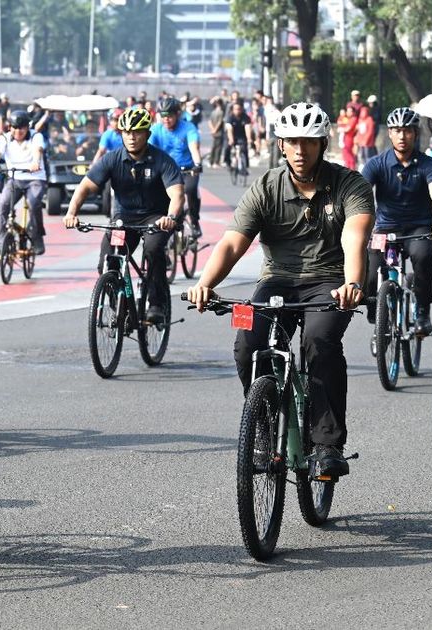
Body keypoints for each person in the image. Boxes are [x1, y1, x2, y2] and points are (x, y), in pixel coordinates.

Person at [186, 102, 374, 479]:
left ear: (323, 144)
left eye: (308, 142)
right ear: (281, 145)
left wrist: (352, 284)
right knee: (247, 344)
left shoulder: (349, 184)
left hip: (330, 283)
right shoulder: (266, 187)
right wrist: (205, 284)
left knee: (319, 342)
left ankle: (326, 446)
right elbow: (231, 244)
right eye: (292, 142)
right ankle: (263, 426)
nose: (300, 151)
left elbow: (356, 240)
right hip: (277, 281)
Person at [63, 106, 183, 323]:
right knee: (108, 261)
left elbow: (177, 194)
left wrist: (171, 217)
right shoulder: (112, 159)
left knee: (154, 249)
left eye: (137, 132)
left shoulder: (162, 160)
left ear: (147, 134)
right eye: (126, 132)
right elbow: (84, 187)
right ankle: (121, 307)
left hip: (156, 217)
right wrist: (71, 213)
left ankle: (157, 303)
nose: (132, 137)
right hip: (124, 218)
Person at [362, 107, 432, 333]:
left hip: (419, 227)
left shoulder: (427, 164)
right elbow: (360, 193)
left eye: (407, 131)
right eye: (396, 130)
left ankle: (422, 310)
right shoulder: (376, 164)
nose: (402, 136)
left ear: (415, 133)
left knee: (422, 257)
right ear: (390, 134)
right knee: (369, 266)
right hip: (384, 227)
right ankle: (376, 305)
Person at [0, 113, 47, 255]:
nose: (18, 131)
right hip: (15, 178)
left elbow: (37, 150)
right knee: (3, 204)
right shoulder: (5, 138)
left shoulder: (35, 136)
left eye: (21, 128)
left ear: (27, 128)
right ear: (9, 127)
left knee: (34, 203)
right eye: (14, 127)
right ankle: (0, 240)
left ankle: (37, 236)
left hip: (35, 178)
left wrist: (36, 162)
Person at [149, 97, 205, 237]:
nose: (166, 119)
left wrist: (197, 164)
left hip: (186, 169)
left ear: (178, 115)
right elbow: (148, 149)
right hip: (165, 171)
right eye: (163, 116)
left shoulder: (188, 128)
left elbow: (194, 148)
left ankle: (194, 221)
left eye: (170, 116)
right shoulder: (155, 129)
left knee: (191, 190)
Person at [225, 100, 253, 177]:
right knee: (227, 148)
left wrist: (249, 139)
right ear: (233, 110)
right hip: (232, 135)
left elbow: (247, 128)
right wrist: (231, 139)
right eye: (236, 109)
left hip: (242, 136)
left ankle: (245, 167)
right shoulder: (230, 117)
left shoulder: (245, 117)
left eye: (239, 109)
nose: (237, 111)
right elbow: (229, 129)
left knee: (244, 150)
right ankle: (228, 162)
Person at [337, 105, 358, 170]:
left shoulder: (353, 119)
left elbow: (348, 129)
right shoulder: (348, 119)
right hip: (346, 138)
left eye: (350, 111)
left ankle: (352, 170)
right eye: (347, 111)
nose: (348, 112)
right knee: (346, 155)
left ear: (353, 112)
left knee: (349, 155)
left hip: (349, 138)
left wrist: (341, 129)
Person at [208, 97, 226, 167]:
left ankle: (211, 161)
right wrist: (215, 129)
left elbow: (209, 121)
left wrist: (212, 129)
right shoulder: (221, 112)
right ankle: (216, 162)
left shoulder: (213, 112)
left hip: (213, 131)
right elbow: (220, 122)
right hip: (219, 131)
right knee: (218, 147)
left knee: (214, 146)